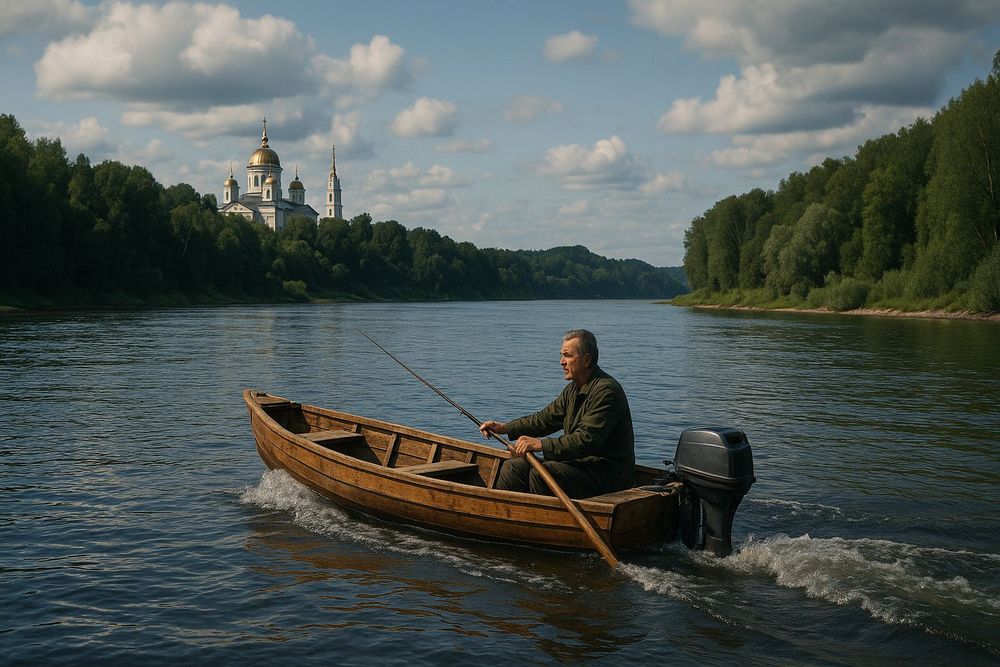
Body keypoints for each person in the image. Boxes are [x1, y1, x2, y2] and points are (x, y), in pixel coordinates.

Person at [479, 329, 635, 499]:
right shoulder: (573, 389)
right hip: (581, 465)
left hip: (607, 475)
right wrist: (504, 428)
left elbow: (586, 440)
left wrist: (540, 445)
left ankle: (543, 521)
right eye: (562, 355)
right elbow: (544, 419)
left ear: (587, 359)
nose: (562, 362)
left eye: (567, 356)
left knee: (541, 474)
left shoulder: (606, 391)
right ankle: (507, 517)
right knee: (512, 467)